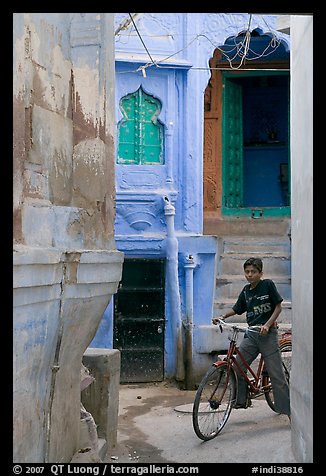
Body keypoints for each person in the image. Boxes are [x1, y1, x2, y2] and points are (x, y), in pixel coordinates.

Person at [212, 257, 290, 417]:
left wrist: (267, 325)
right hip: (252, 334)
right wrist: (222, 317)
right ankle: (241, 401)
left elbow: (278, 308)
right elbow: (237, 309)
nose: (249, 275)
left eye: (253, 272)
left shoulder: (267, 285)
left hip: (268, 334)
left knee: (276, 376)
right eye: (247, 272)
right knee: (237, 366)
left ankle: (287, 410)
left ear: (260, 273)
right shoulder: (246, 291)